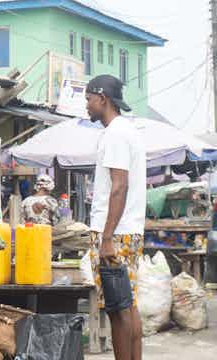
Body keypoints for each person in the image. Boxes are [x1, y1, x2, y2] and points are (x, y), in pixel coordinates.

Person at [86, 75, 145, 360]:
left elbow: (119, 186)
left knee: (116, 310)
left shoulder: (115, 134)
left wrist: (106, 237)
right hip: (128, 230)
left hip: (114, 233)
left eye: (88, 99)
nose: (86, 105)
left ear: (102, 99)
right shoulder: (129, 131)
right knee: (128, 306)